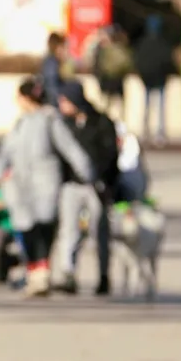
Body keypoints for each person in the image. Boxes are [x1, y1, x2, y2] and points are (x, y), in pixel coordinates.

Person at [0, 78, 92, 298]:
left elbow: (69, 148)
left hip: (46, 185)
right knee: (26, 229)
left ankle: (41, 274)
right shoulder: (20, 124)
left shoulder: (50, 120)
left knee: (43, 228)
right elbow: (5, 154)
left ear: (26, 97)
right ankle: (34, 272)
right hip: (21, 188)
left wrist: (87, 171)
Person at [53, 81, 119, 296]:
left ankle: (103, 275)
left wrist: (104, 181)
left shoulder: (101, 123)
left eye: (64, 100)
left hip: (96, 186)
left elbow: (110, 155)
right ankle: (68, 274)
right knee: (69, 230)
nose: (61, 105)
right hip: (71, 185)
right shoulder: (63, 125)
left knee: (99, 232)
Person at [134, 15, 175, 146]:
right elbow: (168, 61)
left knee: (148, 105)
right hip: (158, 78)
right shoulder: (163, 43)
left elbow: (138, 61)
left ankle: (146, 131)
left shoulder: (143, 43)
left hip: (148, 78)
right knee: (159, 107)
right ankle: (159, 133)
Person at [93, 26, 132, 121]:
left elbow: (125, 62)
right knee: (107, 107)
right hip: (108, 81)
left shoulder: (115, 48)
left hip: (113, 81)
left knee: (114, 107)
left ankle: (117, 124)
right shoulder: (100, 49)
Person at [40, 34, 68, 107]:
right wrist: (60, 103)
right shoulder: (51, 63)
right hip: (53, 104)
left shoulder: (51, 61)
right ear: (57, 47)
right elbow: (51, 86)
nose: (65, 50)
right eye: (63, 47)